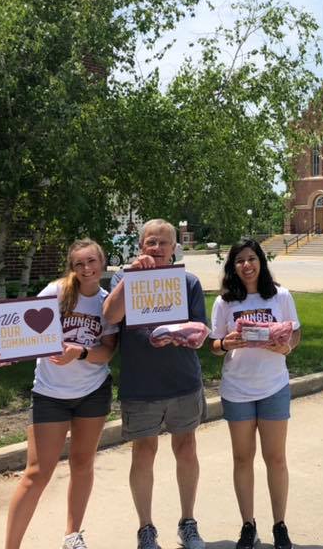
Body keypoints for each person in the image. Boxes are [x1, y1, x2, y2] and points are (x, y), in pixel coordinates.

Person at [0, 239, 118, 549]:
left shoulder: (106, 303)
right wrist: (4, 348)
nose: (87, 268)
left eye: (92, 261)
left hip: (92, 393)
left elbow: (107, 352)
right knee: (37, 472)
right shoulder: (56, 292)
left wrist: (79, 353)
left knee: (82, 463)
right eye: (79, 264)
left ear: (102, 263)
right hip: (50, 394)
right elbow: (23, 330)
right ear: (71, 268)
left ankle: (72, 536)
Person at [102, 219, 207, 549]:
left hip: (182, 382)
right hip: (141, 385)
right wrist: (132, 278)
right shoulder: (123, 278)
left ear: (175, 249)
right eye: (151, 242)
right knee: (143, 453)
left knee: (186, 449)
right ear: (141, 246)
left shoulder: (188, 281)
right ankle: (146, 529)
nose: (157, 248)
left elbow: (200, 333)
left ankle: (188, 523)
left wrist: (183, 336)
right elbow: (110, 315)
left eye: (163, 243)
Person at [210, 238, 301, 549]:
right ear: (233, 267)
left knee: (275, 458)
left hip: (273, 386)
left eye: (252, 259)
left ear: (261, 262)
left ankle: (280, 525)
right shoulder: (225, 302)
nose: (246, 265)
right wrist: (226, 344)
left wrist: (286, 346)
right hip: (237, 389)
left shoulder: (281, 295)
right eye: (240, 261)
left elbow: (295, 331)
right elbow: (215, 345)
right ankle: (247, 525)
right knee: (242, 458)